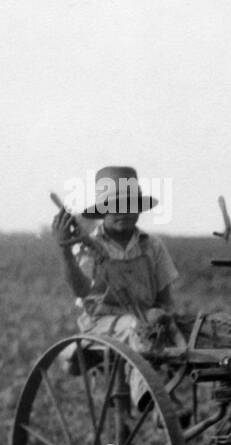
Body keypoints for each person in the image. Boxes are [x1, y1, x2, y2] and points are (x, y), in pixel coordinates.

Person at [51, 165, 184, 410]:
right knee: (137, 327)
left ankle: (173, 389)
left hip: (147, 319)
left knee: (193, 329)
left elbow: (165, 298)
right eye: (115, 205)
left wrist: (166, 316)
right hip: (102, 323)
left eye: (129, 204)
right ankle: (152, 397)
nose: (123, 211)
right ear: (103, 210)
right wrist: (65, 251)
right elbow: (81, 291)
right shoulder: (89, 246)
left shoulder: (152, 246)